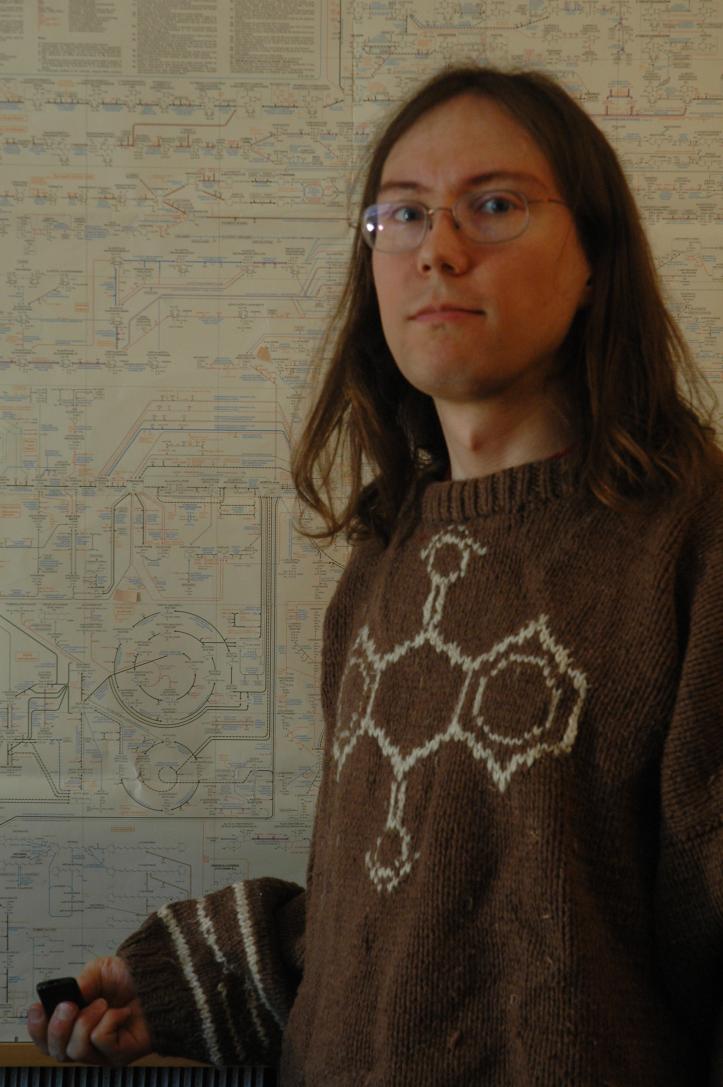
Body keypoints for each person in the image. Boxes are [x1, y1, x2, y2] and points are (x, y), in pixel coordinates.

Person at [27, 65, 722, 1086]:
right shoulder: (382, 558)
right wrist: (180, 987)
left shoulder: (691, 544)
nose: (436, 249)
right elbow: (411, 907)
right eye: (401, 214)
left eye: (494, 205)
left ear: (595, 258)